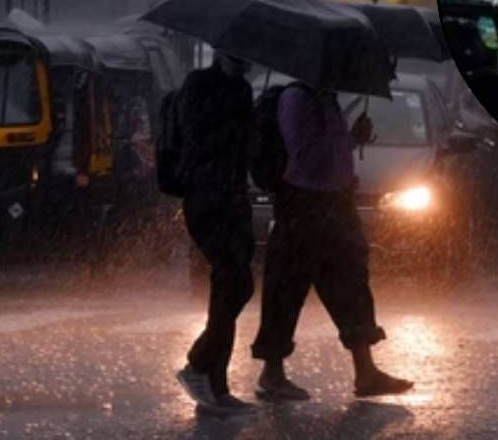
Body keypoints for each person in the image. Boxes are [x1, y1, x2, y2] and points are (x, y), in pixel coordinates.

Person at [251, 83, 413, 401]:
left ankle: (366, 372)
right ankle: (272, 373)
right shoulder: (297, 99)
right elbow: (303, 153)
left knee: (351, 285)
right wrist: (339, 143)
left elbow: (327, 152)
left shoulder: (328, 100)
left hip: (336, 203)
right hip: (304, 204)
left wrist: (352, 139)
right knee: (286, 288)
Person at [172, 52, 258, 414]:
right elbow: (197, 137)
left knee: (237, 285)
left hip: (235, 196)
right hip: (206, 196)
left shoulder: (243, 89)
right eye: (236, 57)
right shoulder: (198, 84)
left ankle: (209, 375)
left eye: (246, 58)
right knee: (230, 280)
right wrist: (236, 125)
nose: (243, 64)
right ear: (220, 52)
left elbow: (245, 150)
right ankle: (204, 371)